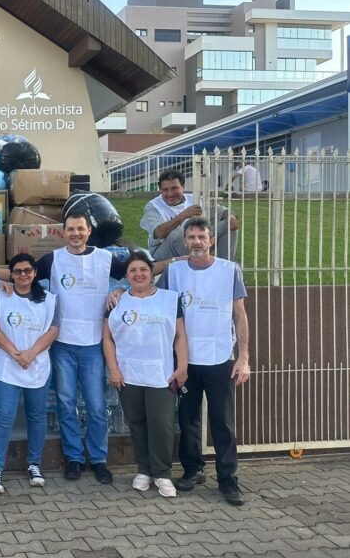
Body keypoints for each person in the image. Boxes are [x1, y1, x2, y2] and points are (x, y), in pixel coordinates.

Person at [157, 217, 251, 506]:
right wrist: (118, 293)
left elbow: (240, 314)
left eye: (202, 237)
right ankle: (192, 469)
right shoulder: (174, 272)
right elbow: (150, 295)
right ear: (184, 241)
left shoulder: (228, 270)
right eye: (191, 237)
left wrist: (244, 357)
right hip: (186, 360)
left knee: (222, 421)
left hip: (220, 356)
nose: (197, 241)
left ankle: (228, 479)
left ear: (211, 241)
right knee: (188, 418)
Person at [31, 213, 126, 483]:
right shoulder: (54, 259)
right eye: (70, 229)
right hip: (62, 344)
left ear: (89, 230)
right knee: (66, 402)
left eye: (80, 229)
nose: (75, 233)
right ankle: (73, 457)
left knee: (96, 406)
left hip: (94, 344)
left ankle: (98, 459)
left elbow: (138, 273)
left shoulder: (105, 258)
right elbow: (24, 274)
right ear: (64, 233)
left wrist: (120, 291)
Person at [103, 251, 188, 498]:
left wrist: (182, 367)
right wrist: (114, 369)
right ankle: (144, 470)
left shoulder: (170, 299)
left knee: (161, 425)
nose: (138, 274)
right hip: (128, 374)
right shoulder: (117, 301)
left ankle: (162, 474)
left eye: (143, 270)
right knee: (137, 423)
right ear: (127, 276)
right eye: (133, 271)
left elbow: (180, 336)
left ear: (152, 273)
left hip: (161, 373)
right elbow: (106, 338)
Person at [0, 254, 59, 494]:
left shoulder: (49, 300)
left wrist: (31, 353)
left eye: (27, 270)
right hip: (8, 365)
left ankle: (34, 464)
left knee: (36, 416)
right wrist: (14, 352)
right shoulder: (1, 295)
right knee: (4, 417)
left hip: (36, 365)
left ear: (35, 272)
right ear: (11, 274)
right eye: (17, 271)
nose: (23, 275)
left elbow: (53, 330)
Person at [140, 169, 239, 261]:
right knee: (178, 234)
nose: (170, 194)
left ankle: (225, 267)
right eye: (165, 190)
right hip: (162, 250)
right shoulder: (153, 206)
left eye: (174, 188)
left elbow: (223, 211)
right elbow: (159, 233)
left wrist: (231, 217)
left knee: (228, 224)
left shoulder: (195, 199)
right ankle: (197, 268)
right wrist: (184, 215)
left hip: (195, 241)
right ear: (160, 190)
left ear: (183, 187)